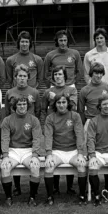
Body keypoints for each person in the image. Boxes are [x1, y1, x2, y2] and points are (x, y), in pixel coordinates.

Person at [78, 62, 108, 191]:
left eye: (101, 73)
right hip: (91, 123)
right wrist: (85, 124)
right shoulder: (85, 90)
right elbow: (81, 110)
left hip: (107, 122)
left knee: (107, 150)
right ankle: (93, 187)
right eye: (96, 73)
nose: (98, 75)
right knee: (92, 152)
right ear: (91, 74)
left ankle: (107, 184)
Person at [44, 94, 87, 205]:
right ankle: (50, 197)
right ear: (55, 104)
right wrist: (48, 154)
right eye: (59, 102)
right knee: (49, 166)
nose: (61, 105)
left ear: (68, 104)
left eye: (64, 102)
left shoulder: (75, 116)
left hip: (73, 151)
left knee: (82, 165)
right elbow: (48, 136)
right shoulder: (50, 118)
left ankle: (82, 195)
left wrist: (80, 153)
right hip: (57, 151)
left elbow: (79, 135)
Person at [4, 64, 40, 196]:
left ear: (28, 78)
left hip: (29, 127)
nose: (22, 78)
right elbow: (8, 111)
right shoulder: (10, 92)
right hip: (14, 126)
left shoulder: (34, 92)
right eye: (20, 76)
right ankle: (17, 187)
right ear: (15, 77)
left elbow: (38, 110)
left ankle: (32, 195)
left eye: (25, 76)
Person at [41, 65, 78, 195]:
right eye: (55, 74)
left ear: (65, 76)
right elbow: (43, 109)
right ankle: (55, 187)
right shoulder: (47, 92)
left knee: (69, 148)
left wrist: (56, 96)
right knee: (55, 150)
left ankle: (69, 187)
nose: (58, 76)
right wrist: (43, 125)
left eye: (60, 74)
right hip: (53, 124)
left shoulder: (72, 90)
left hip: (68, 124)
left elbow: (73, 107)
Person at [0, 97, 41, 206]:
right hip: (13, 151)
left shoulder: (34, 120)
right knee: (5, 167)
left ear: (27, 105)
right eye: (19, 104)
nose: (22, 106)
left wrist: (35, 155)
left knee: (35, 166)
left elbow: (37, 139)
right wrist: (5, 156)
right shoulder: (7, 120)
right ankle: (8, 198)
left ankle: (32, 197)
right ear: (15, 106)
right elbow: (5, 139)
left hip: (28, 151)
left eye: (24, 104)